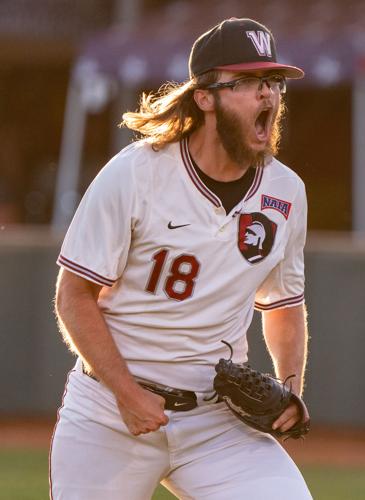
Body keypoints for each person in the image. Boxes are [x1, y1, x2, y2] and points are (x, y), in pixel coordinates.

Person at [50, 17, 312, 500]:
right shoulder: (136, 173)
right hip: (109, 412)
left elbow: (283, 305)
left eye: (273, 82)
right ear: (205, 96)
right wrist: (127, 395)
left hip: (216, 420)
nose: (268, 96)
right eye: (249, 83)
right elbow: (74, 294)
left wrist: (289, 387)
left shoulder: (286, 192)